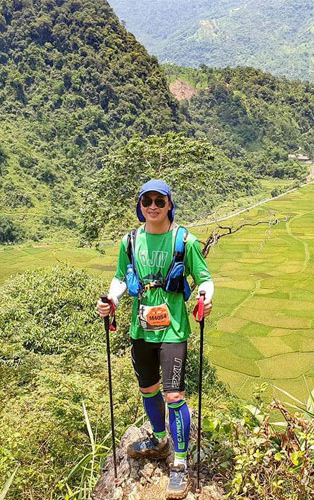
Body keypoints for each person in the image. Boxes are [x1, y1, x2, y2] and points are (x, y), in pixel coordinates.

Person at [97, 179, 214, 499]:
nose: (152, 206)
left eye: (159, 201)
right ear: (140, 205)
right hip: (141, 331)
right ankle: (159, 440)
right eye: (146, 201)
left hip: (174, 331)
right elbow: (121, 278)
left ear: (169, 205)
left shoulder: (185, 241)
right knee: (148, 389)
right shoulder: (130, 241)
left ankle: (179, 463)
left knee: (174, 395)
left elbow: (204, 278)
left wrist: (206, 296)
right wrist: (111, 300)